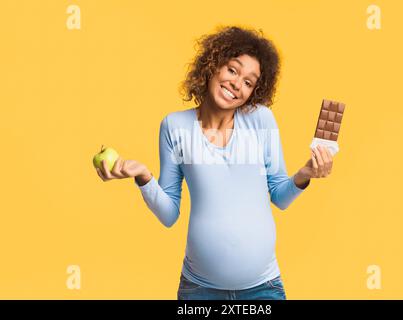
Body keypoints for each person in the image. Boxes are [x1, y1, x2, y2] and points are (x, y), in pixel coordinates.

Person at [95, 26, 334, 300]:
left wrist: (306, 174)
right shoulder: (174, 126)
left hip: (262, 289)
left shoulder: (261, 120)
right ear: (212, 65)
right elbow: (169, 215)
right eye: (232, 70)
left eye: (248, 82)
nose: (237, 84)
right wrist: (143, 177)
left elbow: (279, 195)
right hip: (199, 290)